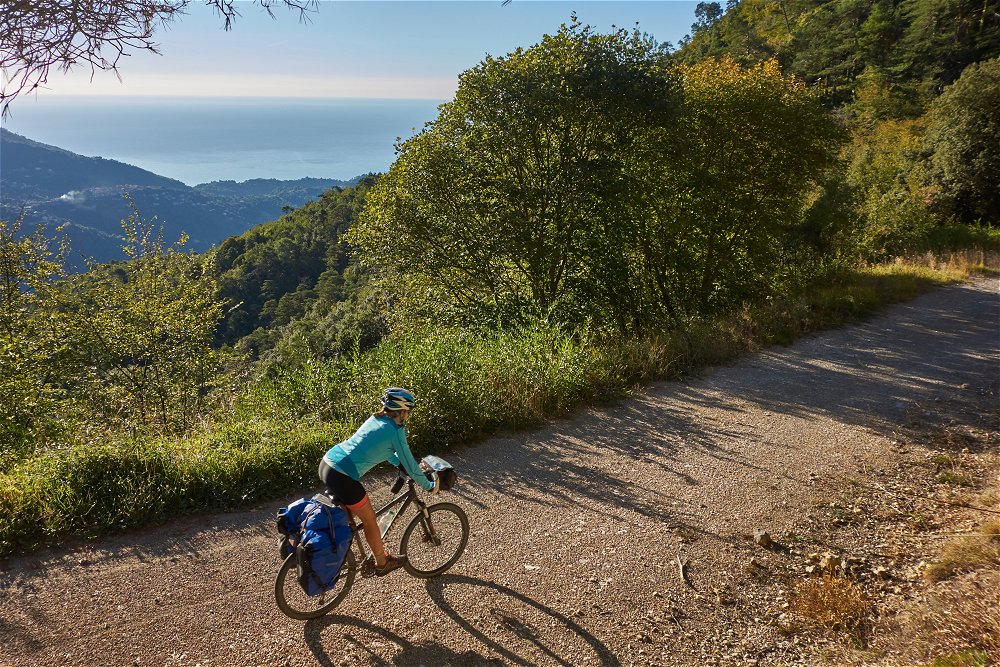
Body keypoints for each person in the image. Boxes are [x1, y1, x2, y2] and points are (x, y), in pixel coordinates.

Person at [318, 387, 438, 576]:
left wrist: (398, 464)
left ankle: (335, 546)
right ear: (401, 411)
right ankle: (382, 562)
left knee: (349, 515)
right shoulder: (395, 431)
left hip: (327, 463)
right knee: (370, 519)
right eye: (408, 411)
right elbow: (411, 464)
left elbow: (384, 451)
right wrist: (429, 486)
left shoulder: (375, 419)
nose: (409, 415)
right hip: (342, 474)